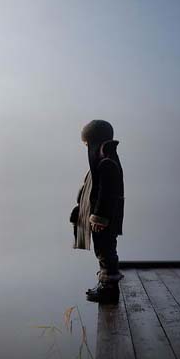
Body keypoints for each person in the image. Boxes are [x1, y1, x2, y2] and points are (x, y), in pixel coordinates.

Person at [70, 120, 125, 302]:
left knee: (105, 251)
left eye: (87, 145)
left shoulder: (107, 163)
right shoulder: (105, 161)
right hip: (104, 218)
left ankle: (109, 288)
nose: (87, 149)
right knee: (103, 250)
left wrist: (99, 217)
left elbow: (107, 194)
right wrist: (81, 211)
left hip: (105, 219)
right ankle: (104, 282)